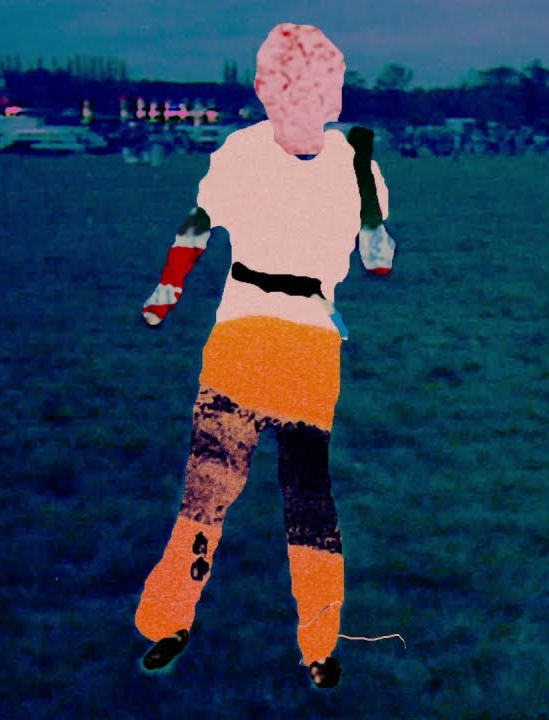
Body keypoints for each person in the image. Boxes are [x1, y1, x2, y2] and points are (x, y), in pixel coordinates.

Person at [134, 22, 392, 690]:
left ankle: (319, 642)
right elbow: (197, 225)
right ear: (268, 92)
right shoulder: (241, 152)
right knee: (209, 488)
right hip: (242, 337)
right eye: (295, 88)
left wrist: (365, 187)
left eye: (323, 89)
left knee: (308, 495)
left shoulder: (356, 163)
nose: (313, 101)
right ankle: (169, 620)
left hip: (309, 344)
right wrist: (167, 290)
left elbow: (377, 259)